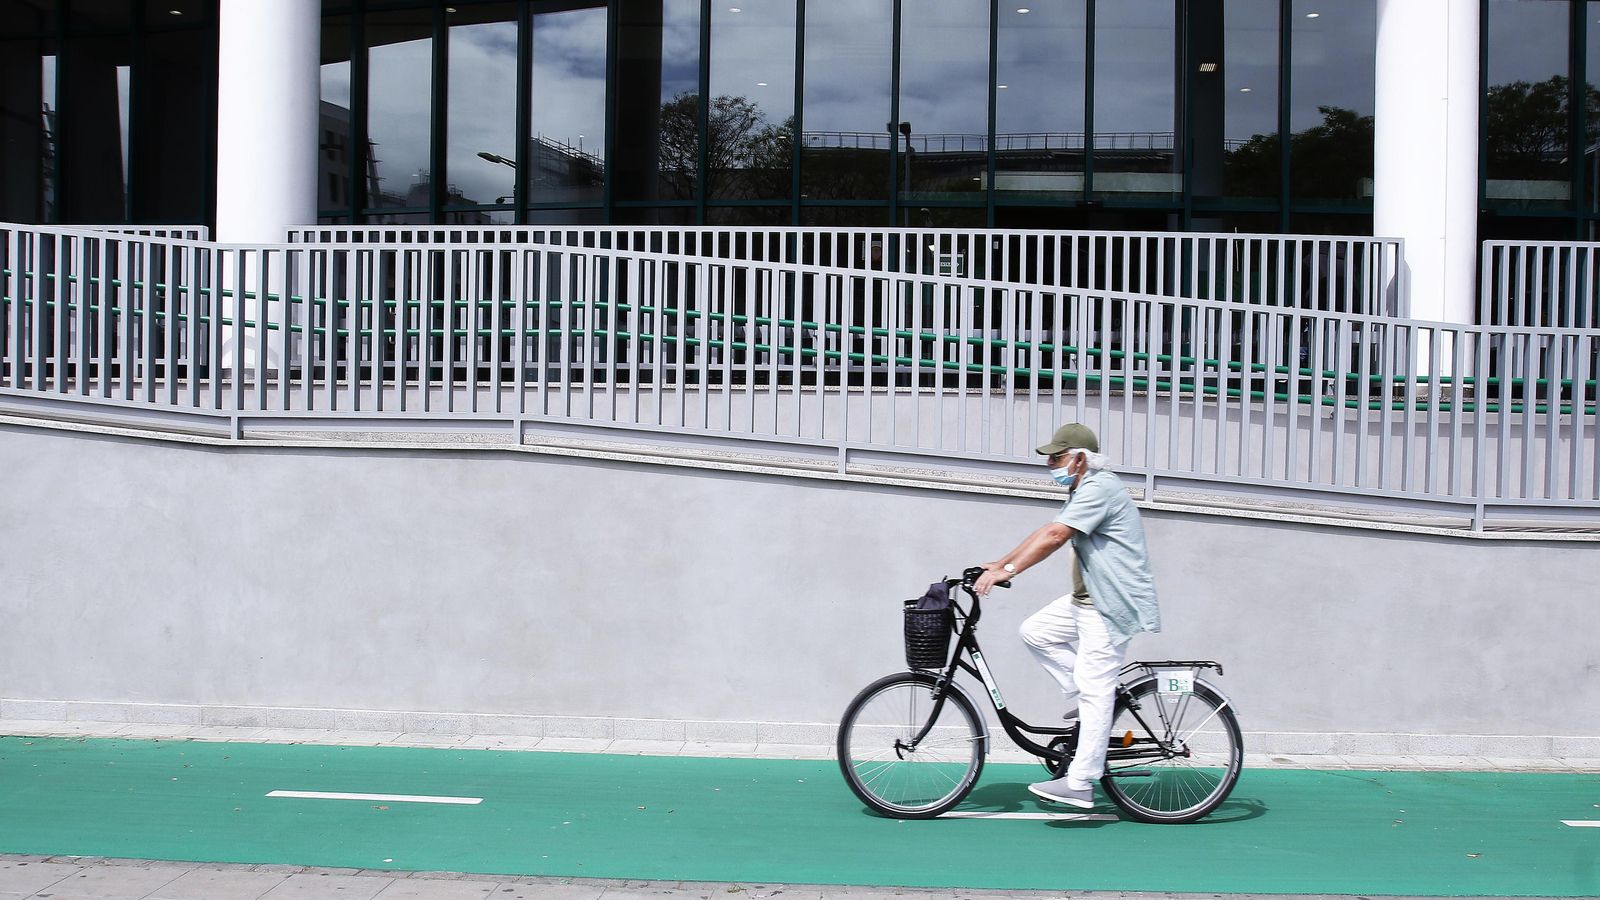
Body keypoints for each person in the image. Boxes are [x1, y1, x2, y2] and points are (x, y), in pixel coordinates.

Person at [972, 422, 1160, 809]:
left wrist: (1006, 573)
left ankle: (1080, 782)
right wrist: (1002, 560)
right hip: (1085, 600)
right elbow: (1047, 529)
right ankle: (1090, 699)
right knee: (1036, 631)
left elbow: (1056, 538)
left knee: (1095, 692)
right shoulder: (1083, 489)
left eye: (1057, 457)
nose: (1051, 465)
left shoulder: (1101, 488)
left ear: (1080, 459)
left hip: (1109, 606)